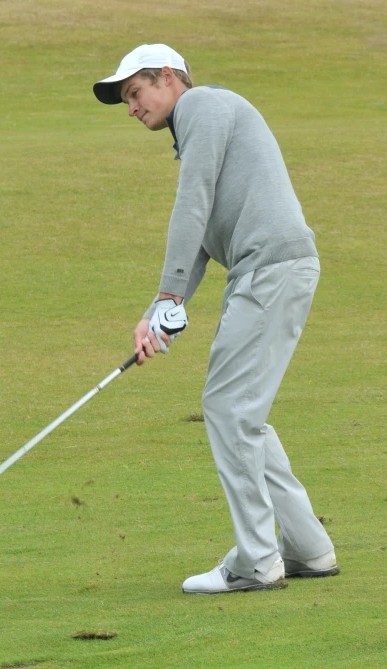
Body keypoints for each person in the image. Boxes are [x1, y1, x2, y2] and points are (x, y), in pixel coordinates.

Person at [93, 44, 339, 594]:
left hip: (270, 270)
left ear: (168, 78)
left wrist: (166, 296)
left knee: (228, 407)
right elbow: (204, 238)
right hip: (270, 270)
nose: (131, 108)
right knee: (241, 411)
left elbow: (192, 202)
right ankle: (309, 548)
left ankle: (256, 559)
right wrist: (160, 312)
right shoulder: (201, 127)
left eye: (135, 93)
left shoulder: (202, 105)